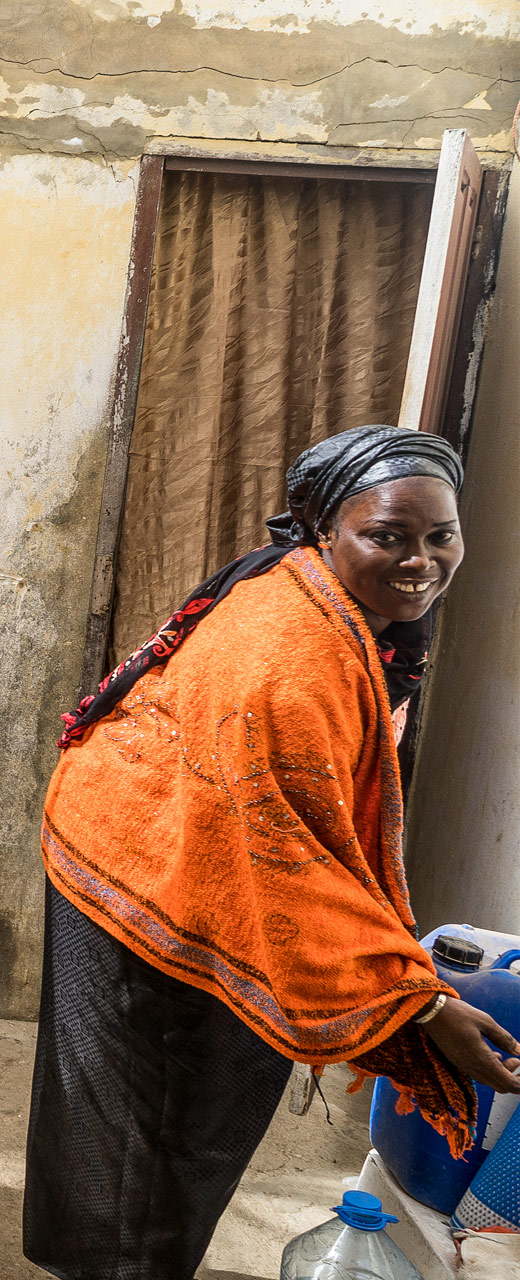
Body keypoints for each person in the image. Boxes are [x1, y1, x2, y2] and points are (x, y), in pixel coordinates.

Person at [26, 425, 520, 1280]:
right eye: (388, 536)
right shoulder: (287, 663)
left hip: (175, 841)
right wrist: (423, 1005)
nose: (421, 561)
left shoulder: (347, 612)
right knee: (157, 1124)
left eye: (441, 535)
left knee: (176, 1119)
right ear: (327, 531)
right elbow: (286, 865)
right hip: (145, 869)